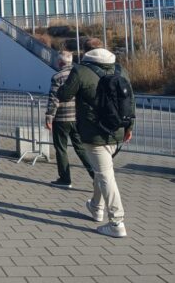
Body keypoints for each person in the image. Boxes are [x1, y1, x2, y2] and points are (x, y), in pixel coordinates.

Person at [57, 38, 135, 238]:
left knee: (106, 175)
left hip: (93, 132)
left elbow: (64, 95)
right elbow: (130, 99)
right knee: (101, 171)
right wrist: (129, 127)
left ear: (85, 52)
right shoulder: (120, 70)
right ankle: (96, 207)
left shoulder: (81, 71)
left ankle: (117, 222)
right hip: (117, 130)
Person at [45, 51, 94, 188]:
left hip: (61, 118)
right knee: (81, 148)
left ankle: (65, 179)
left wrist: (49, 116)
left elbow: (54, 99)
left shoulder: (57, 77)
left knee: (61, 148)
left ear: (60, 62)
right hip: (78, 117)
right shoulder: (80, 74)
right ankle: (95, 176)